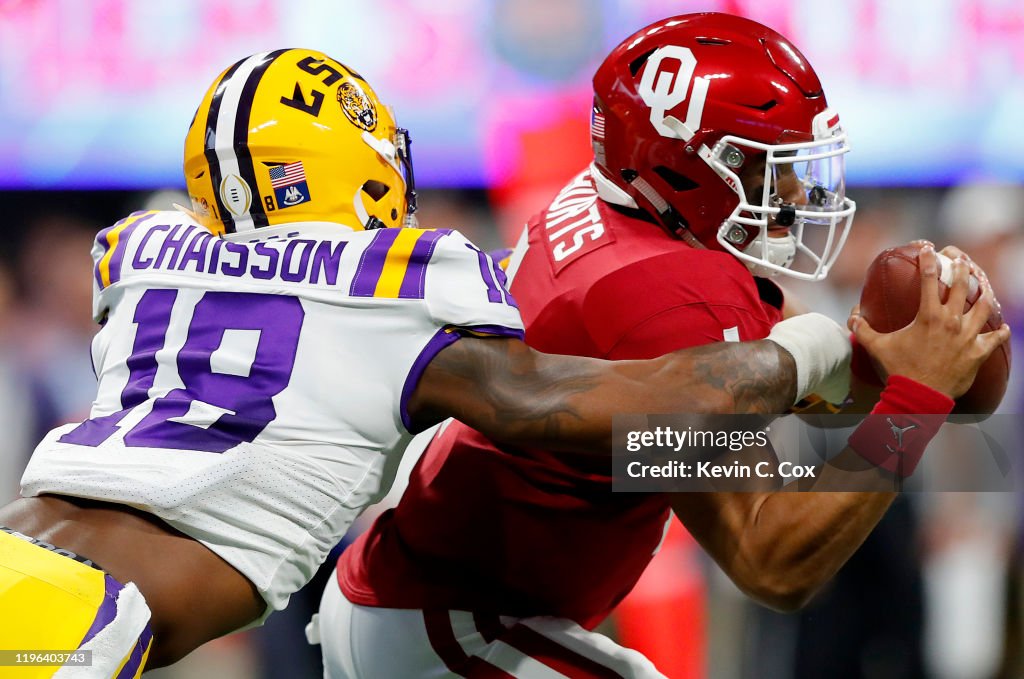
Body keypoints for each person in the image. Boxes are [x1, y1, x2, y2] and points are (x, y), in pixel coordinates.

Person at [0, 48, 870, 676]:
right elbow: (624, 407)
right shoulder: (395, 283)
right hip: (79, 625)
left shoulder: (137, 253)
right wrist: (813, 350)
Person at [321, 13, 1010, 678]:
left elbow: (795, 371)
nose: (798, 192)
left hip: (430, 595)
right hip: (446, 623)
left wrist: (903, 361)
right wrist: (914, 399)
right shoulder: (664, 294)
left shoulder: (624, 210)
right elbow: (771, 557)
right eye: (772, 165)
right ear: (685, 165)